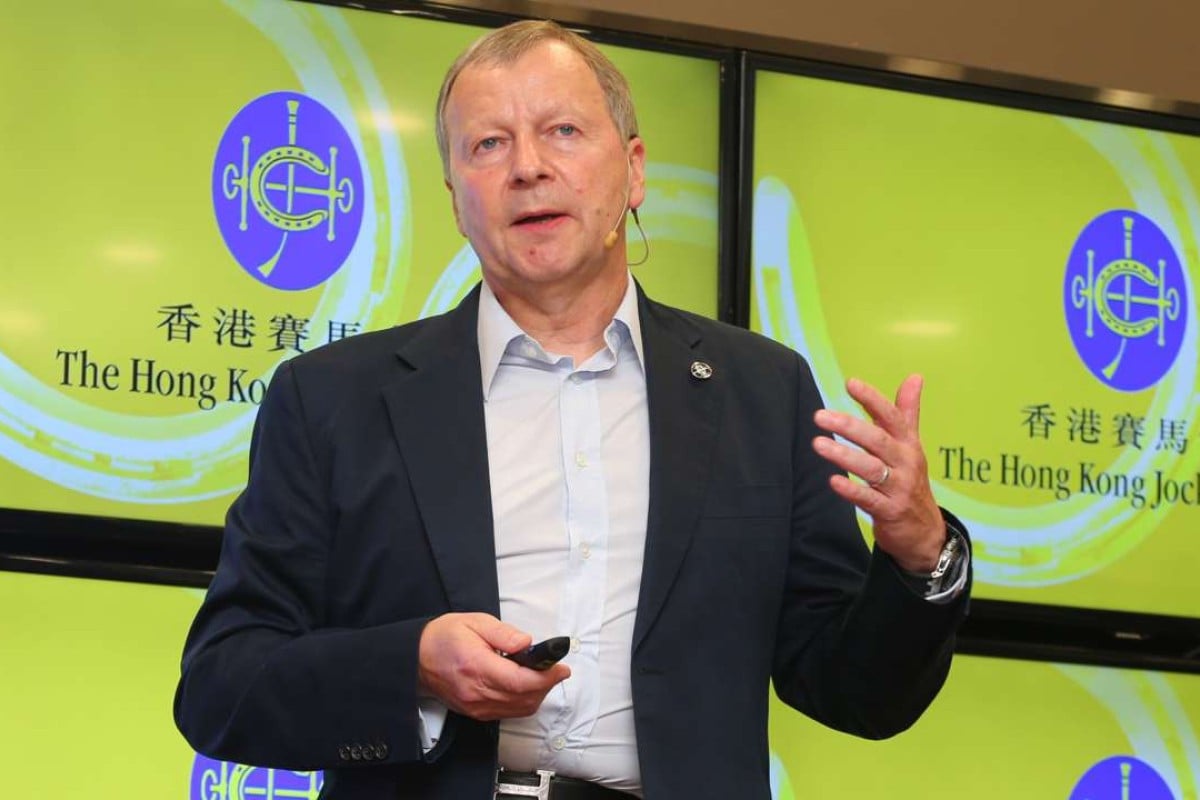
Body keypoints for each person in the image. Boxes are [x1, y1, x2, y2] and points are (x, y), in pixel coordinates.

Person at [175, 19, 970, 800]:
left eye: (561, 131)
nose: (527, 168)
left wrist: (916, 556)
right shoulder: (333, 399)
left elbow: (857, 693)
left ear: (633, 172)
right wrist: (412, 664)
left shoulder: (760, 393)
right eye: (488, 144)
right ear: (456, 199)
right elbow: (222, 685)